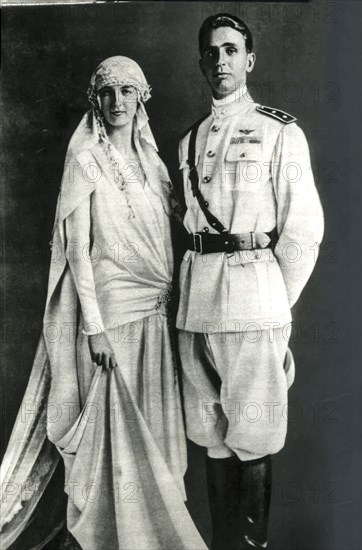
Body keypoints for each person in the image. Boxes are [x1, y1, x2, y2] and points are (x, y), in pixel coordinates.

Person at [0, 56, 206, 550]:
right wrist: (93, 327)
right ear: (97, 100)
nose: (118, 103)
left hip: (157, 314)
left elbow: (178, 228)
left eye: (128, 92)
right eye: (109, 93)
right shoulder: (85, 159)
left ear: (141, 99)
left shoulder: (154, 164)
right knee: (112, 434)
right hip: (113, 317)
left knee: (156, 431)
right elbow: (76, 251)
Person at [176, 14, 325, 550]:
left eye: (232, 51)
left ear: (249, 60)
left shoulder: (279, 131)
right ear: (201, 62)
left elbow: (304, 229)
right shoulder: (188, 141)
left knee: (254, 436)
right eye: (212, 53)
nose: (221, 61)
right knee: (210, 438)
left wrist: (274, 307)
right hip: (196, 305)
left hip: (253, 301)